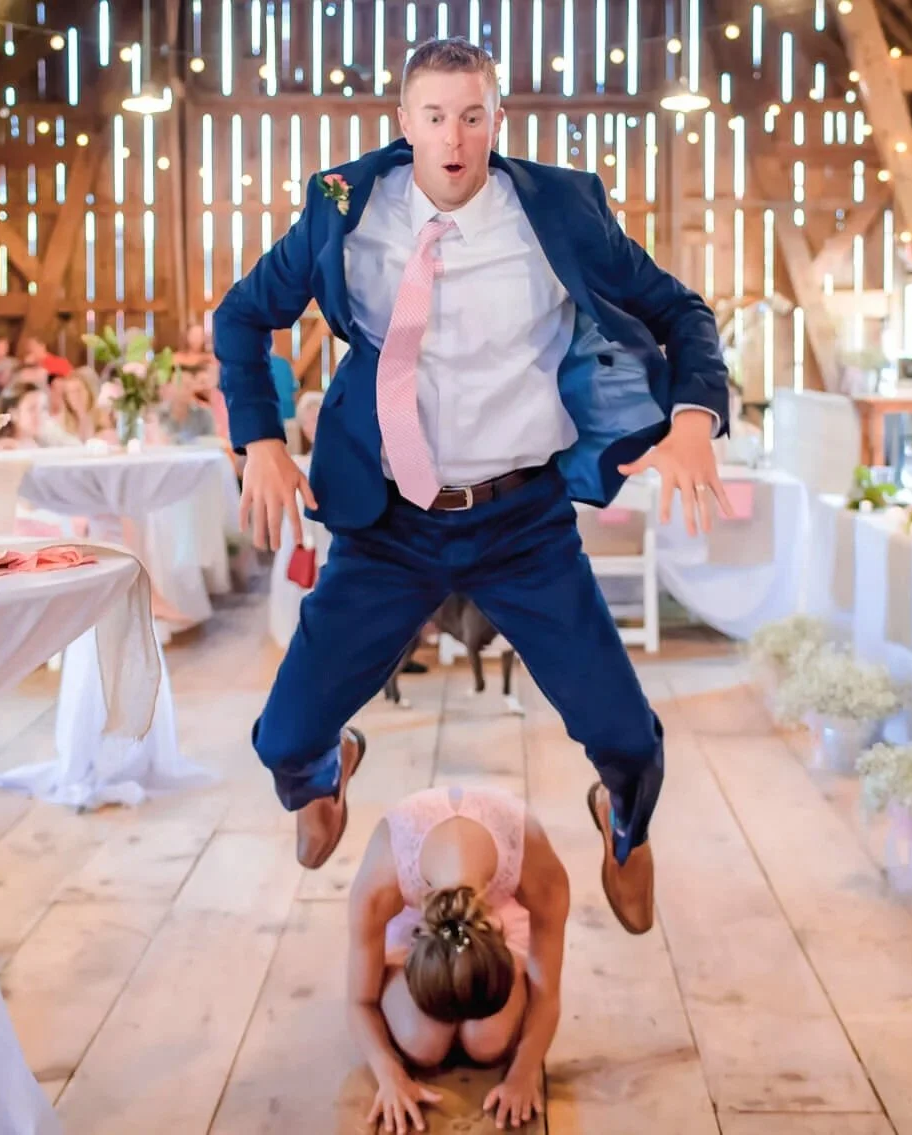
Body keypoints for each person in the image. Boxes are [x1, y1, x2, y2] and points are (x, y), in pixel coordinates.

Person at [212, 38, 730, 934]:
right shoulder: (344, 207)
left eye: (474, 114)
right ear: (403, 121)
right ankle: (326, 772)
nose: (454, 137)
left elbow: (681, 311)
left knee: (627, 736)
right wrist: (258, 438)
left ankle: (623, 822)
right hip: (387, 524)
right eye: (436, 115)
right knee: (283, 737)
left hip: (521, 521)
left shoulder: (561, 211)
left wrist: (693, 420)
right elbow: (242, 315)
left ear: (499, 119)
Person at [349, 786, 569, 1132]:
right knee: (423, 1044)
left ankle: (485, 1018)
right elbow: (359, 1000)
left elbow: (548, 993)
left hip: (497, 917)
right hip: (416, 923)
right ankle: (429, 1017)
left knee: (488, 1041)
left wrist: (523, 1074)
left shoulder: (536, 866)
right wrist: (388, 1073)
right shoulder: (381, 883)